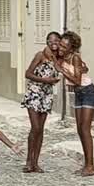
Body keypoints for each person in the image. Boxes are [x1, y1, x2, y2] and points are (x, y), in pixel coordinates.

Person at [20, 31, 63, 173]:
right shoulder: (40, 55)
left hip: (47, 95)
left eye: (57, 40)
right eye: (50, 41)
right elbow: (28, 73)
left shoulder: (58, 58)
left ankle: (35, 163)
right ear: (46, 42)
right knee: (35, 127)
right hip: (34, 92)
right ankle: (28, 161)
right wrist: (45, 80)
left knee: (41, 129)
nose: (54, 43)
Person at [59, 31, 94, 176]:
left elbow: (77, 80)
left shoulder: (75, 58)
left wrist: (62, 70)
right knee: (80, 130)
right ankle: (86, 164)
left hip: (88, 92)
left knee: (85, 129)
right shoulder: (63, 58)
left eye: (64, 46)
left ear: (72, 48)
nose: (61, 48)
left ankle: (90, 166)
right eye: (61, 45)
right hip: (78, 94)